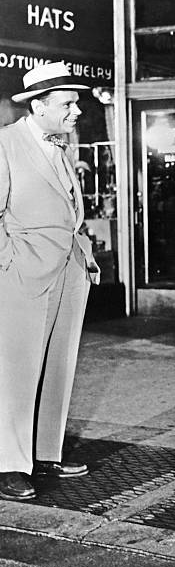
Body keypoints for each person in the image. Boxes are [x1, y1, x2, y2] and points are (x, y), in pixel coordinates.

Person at [0, 62, 100, 501]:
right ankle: (9, 464)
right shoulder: (5, 144)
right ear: (38, 105)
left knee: (59, 367)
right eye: (68, 103)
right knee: (17, 373)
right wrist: (11, 261)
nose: (77, 110)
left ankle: (46, 454)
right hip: (24, 273)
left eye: (75, 102)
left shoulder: (59, 146)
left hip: (69, 270)